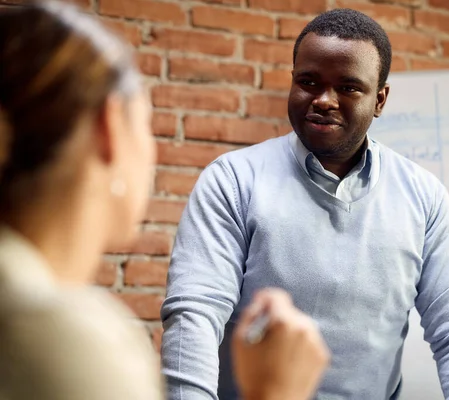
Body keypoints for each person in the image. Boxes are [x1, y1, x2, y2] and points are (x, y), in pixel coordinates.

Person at [161, 7, 449, 400]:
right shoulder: (234, 181)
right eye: (308, 81)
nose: (323, 100)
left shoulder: (424, 198)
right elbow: (194, 316)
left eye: (348, 87)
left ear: (380, 99)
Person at [0, 2, 329, 400]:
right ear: (110, 129)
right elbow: (195, 312)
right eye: (147, 124)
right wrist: (274, 391)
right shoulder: (65, 340)